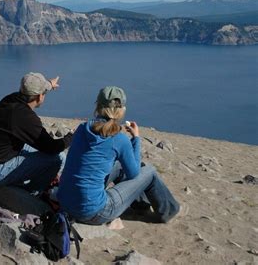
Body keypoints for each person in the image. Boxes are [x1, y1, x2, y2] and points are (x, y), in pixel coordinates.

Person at [57, 86, 180, 224]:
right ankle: (169, 211)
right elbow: (134, 174)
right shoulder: (119, 140)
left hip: (65, 202)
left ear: (97, 106)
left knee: (119, 165)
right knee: (149, 171)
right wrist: (136, 138)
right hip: (93, 212)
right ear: (121, 110)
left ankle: (140, 205)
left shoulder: (81, 129)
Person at [0, 72, 73, 193]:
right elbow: (52, 147)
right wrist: (72, 137)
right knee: (58, 158)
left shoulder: (10, 99)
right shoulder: (25, 117)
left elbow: (36, 90)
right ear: (40, 97)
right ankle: (33, 194)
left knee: (39, 150)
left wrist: (49, 84)